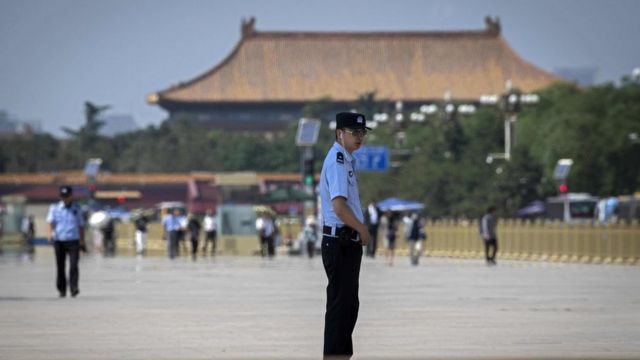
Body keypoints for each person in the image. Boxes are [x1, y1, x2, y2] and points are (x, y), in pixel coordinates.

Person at [319, 112, 371, 359]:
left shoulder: (346, 160)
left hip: (346, 242)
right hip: (339, 241)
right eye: (355, 133)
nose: (360, 137)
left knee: (348, 306)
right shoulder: (337, 160)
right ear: (340, 134)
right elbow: (339, 206)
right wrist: (361, 228)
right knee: (341, 307)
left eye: (362, 133)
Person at [46, 186, 85, 298]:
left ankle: (74, 288)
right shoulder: (54, 208)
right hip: (59, 240)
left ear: (71, 196)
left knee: (74, 265)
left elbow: (81, 225)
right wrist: (49, 235)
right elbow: (50, 222)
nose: (65, 199)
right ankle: (61, 289)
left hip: (73, 240)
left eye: (67, 196)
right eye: (63, 197)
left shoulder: (77, 208)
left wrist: (82, 240)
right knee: (60, 266)